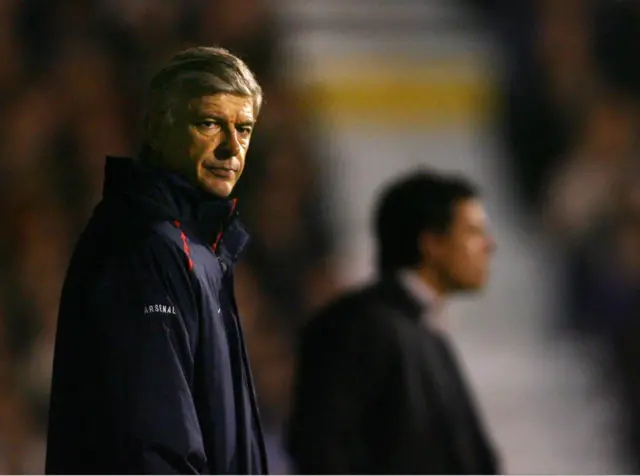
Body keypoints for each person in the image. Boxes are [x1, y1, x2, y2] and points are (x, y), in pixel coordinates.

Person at [45, 46, 268, 474]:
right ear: (156, 128)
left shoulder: (199, 248)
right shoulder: (147, 245)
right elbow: (155, 443)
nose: (231, 148)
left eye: (244, 129)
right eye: (209, 123)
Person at [287, 170, 501, 474]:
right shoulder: (356, 326)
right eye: (473, 232)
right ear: (432, 243)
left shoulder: (425, 330)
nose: (489, 246)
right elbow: (322, 449)